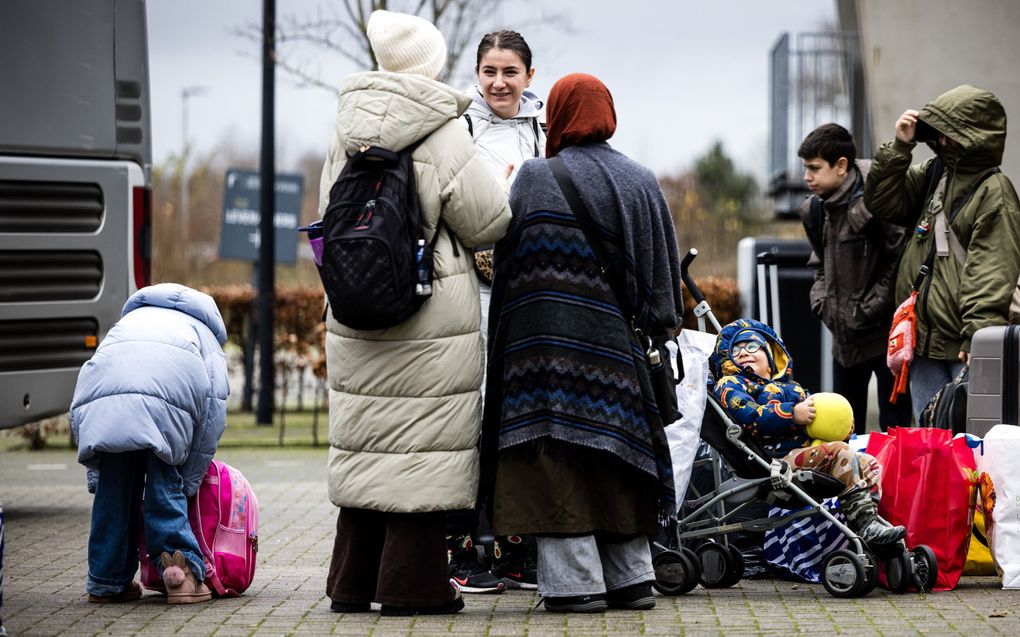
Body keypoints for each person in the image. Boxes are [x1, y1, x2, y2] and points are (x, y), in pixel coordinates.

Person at [320, 10, 512, 616]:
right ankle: (411, 587)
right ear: (431, 65)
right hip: (426, 320)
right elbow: (488, 221)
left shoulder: (345, 131)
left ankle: (351, 585)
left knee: (371, 444)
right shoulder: (442, 130)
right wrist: (503, 182)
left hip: (354, 312)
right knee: (422, 452)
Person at [480, 73, 683, 613]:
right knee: (617, 457)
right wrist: (655, 327)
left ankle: (575, 587)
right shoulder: (642, 181)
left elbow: (509, 274)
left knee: (557, 465)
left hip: (541, 356)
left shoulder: (533, 177)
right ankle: (633, 578)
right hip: (616, 355)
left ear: (562, 118)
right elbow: (665, 291)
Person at [447, 28, 546, 595]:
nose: (499, 82)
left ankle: (520, 549)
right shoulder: (457, 129)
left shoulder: (546, 132)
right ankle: (467, 548)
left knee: (519, 417)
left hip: (526, 291)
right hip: (471, 292)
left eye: (510, 72)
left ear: (529, 76)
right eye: (490, 71)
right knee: (472, 417)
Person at [864, 85, 1020, 422]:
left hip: (962, 345)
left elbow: (990, 271)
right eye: (939, 133)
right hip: (921, 341)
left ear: (972, 136)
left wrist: (977, 338)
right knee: (930, 438)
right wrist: (901, 146)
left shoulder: (995, 191)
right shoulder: (937, 174)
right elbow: (881, 201)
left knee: (970, 444)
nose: (943, 140)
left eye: (950, 133)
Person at [71, 283, 229, 605]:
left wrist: (97, 475)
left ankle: (106, 580)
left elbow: (88, 390)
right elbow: (212, 412)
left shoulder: (127, 324)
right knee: (165, 481)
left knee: (113, 490)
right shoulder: (204, 334)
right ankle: (181, 577)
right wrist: (188, 479)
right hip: (167, 403)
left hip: (106, 405)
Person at [710, 318, 905, 548]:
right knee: (840, 453)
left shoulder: (792, 388)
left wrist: (839, 427)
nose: (744, 352)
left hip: (806, 453)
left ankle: (869, 522)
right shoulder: (731, 384)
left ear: (772, 359)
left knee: (868, 462)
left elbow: (817, 423)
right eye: (736, 349)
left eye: (752, 347)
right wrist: (792, 413)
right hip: (774, 463)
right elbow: (752, 418)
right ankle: (865, 526)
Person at [797, 123, 911, 433]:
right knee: (843, 430)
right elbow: (819, 261)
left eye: (814, 168)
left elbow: (901, 261)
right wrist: (821, 302)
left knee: (895, 431)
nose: (807, 176)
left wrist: (868, 308)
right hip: (844, 342)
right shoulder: (814, 211)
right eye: (805, 167)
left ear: (841, 166)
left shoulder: (877, 201)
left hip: (884, 338)